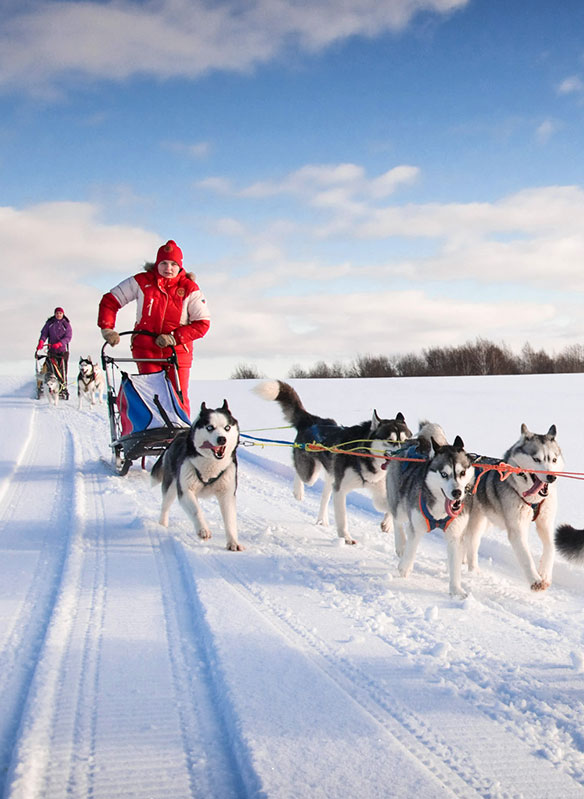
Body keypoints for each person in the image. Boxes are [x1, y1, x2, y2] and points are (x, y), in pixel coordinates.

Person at [97, 240, 210, 416]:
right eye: (164, 263)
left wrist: (174, 337)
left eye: (173, 264)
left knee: (178, 398)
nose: (168, 268)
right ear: (157, 264)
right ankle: (153, 437)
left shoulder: (189, 289)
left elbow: (202, 324)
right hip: (146, 349)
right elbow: (110, 301)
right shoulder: (142, 282)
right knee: (152, 397)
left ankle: (180, 438)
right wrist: (107, 328)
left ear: (180, 266)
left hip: (177, 351)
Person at [36, 306, 72, 398]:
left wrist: (60, 343)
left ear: (63, 314)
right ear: (55, 314)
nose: (59, 315)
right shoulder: (50, 323)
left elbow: (68, 337)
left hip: (62, 351)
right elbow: (44, 333)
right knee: (51, 370)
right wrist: (41, 342)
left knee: (62, 371)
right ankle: (49, 387)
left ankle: (63, 388)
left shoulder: (66, 324)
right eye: (57, 313)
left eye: (60, 313)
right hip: (51, 350)